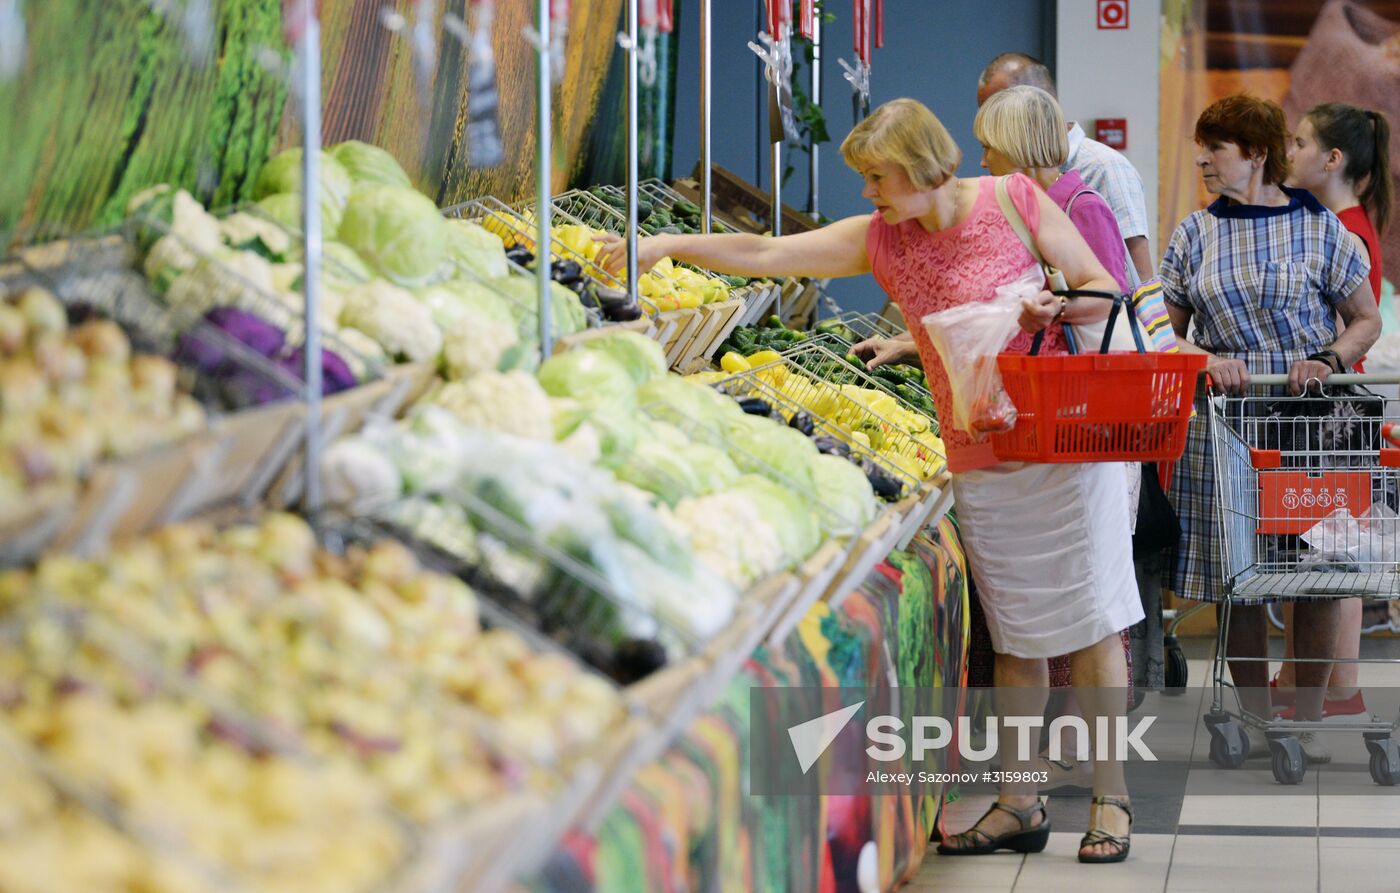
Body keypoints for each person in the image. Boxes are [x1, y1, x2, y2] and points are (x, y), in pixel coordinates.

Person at [596, 97, 1143, 864]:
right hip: (979, 455)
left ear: (923, 168)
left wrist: (1049, 306)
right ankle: (1021, 801)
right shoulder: (881, 241)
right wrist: (665, 244)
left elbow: (1101, 284)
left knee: (1092, 620)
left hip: (1058, 439)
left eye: (878, 176)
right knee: (1017, 633)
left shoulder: (1016, 200)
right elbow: (766, 255)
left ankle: (1112, 798)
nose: (869, 193)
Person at [1160, 94, 1380, 763]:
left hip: (1313, 420)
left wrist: (1326, 359)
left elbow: (1366, 318)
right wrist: (1206, 359)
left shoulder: (1319, 229)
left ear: (1257, 154)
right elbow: (1162, 334)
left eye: (1216, 147)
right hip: (1227, 418)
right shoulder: (1194, 234)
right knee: (1241, 575)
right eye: (1201, 146)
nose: (1202, 159)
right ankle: (1257, 717)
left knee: (1317, 570)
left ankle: (1305, 719)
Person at [972, 83, 1135, 795]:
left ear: (1022, 147)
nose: (982, 159)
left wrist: (1051, 304)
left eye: (991, 147)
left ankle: (1104, 780)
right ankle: (1031, 777)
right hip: (1046, 420)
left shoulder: (1081, 205)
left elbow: (1112, 294)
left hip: (1086, 421)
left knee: (1093, 605)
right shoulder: (1027, 210)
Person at [1273, 102, 1393, 722]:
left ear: (1333, 159)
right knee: (1320, 547)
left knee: (1327, 550)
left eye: (1298, 143)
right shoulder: (1336, 221)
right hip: (1329, 408)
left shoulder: (1342, 230)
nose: (1288, 153)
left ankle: (1336, 684)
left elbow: (1357, 325)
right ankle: (1312, 677)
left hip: (1335, 411)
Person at [977, 52, 1153, 287]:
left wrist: (1056, 307)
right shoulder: (1019, 197)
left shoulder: (1102, 172)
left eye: (988, 147)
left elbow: (1129, 286)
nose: (983, 162)